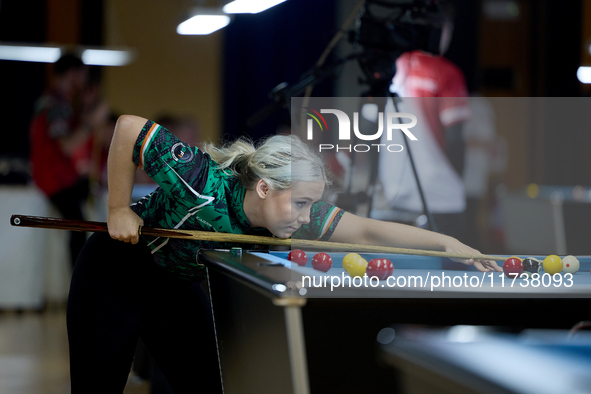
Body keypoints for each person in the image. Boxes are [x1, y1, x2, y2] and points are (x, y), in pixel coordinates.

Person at [67, 115, 501, 393]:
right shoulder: (198, 179)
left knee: (214, 386)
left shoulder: (290, 214)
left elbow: (366, 229)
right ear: (264, 187)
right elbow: (127, 129)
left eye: (311, 205)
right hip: (115, 272)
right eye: (300, 203)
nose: (305, 216)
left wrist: (445, 242)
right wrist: (119, 208)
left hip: (175, 285)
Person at [375, 7, 470, 243]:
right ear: (443, 31)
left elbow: (370, 130)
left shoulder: (392, 68)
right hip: (440, 194)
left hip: (393, 193)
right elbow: (456, 137)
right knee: (448, 273)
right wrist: (459, 178)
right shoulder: (447, 73)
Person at [29, 53, 108, 267]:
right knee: (79, 228)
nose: (82, 82)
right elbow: (67, 145)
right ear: (72, 74)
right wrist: (92, 122)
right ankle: (80, 281)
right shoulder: (55, 104)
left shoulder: (57, 102)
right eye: (81, 76)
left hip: (61, 177)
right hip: (54, 180)